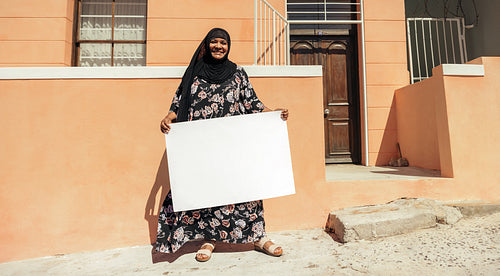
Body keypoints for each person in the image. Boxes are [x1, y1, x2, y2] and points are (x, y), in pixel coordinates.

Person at [157, 28, 289, 262]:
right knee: (208, 191)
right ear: (206, 45)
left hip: (233, 145)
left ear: (229, 46)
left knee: (246, 189)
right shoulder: (194, 73)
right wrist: (169, 116)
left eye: (223, 43)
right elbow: (179, 101)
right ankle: (209, 240)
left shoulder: (238, 73)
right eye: (214, 42)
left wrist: (272, 113)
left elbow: (251, 102)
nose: (219, 46)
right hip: (202, 145)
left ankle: (259, 237)